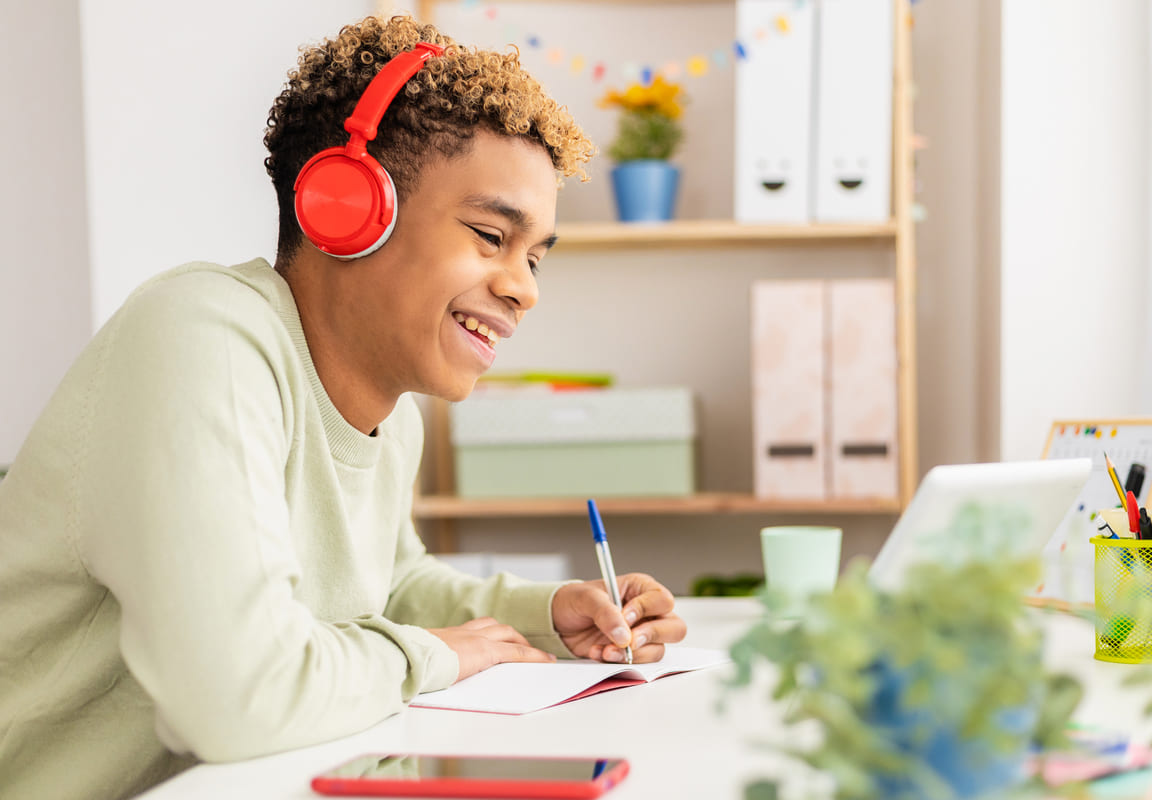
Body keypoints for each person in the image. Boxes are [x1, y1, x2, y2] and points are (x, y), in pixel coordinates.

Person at [0, 15, 686, 800]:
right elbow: (240, 699)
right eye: (491, 235)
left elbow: (386, 588)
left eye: (532, 257)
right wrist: (436, 653)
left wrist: (550, 615)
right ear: (347, 210)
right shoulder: (200, 335)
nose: (525, 287)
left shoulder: (394, 418)